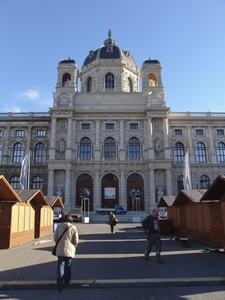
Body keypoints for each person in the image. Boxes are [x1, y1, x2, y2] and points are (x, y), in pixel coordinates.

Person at [54, 214, 79, 292]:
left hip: (60, 248)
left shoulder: (58, 226)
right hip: (69, 249)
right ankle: (66, 281)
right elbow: (76, 240)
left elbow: (55, 238)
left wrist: (59, 243)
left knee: (60, 265)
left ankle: (59, 282)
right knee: (68, 265)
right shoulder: (73, 228)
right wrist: (74, 246)